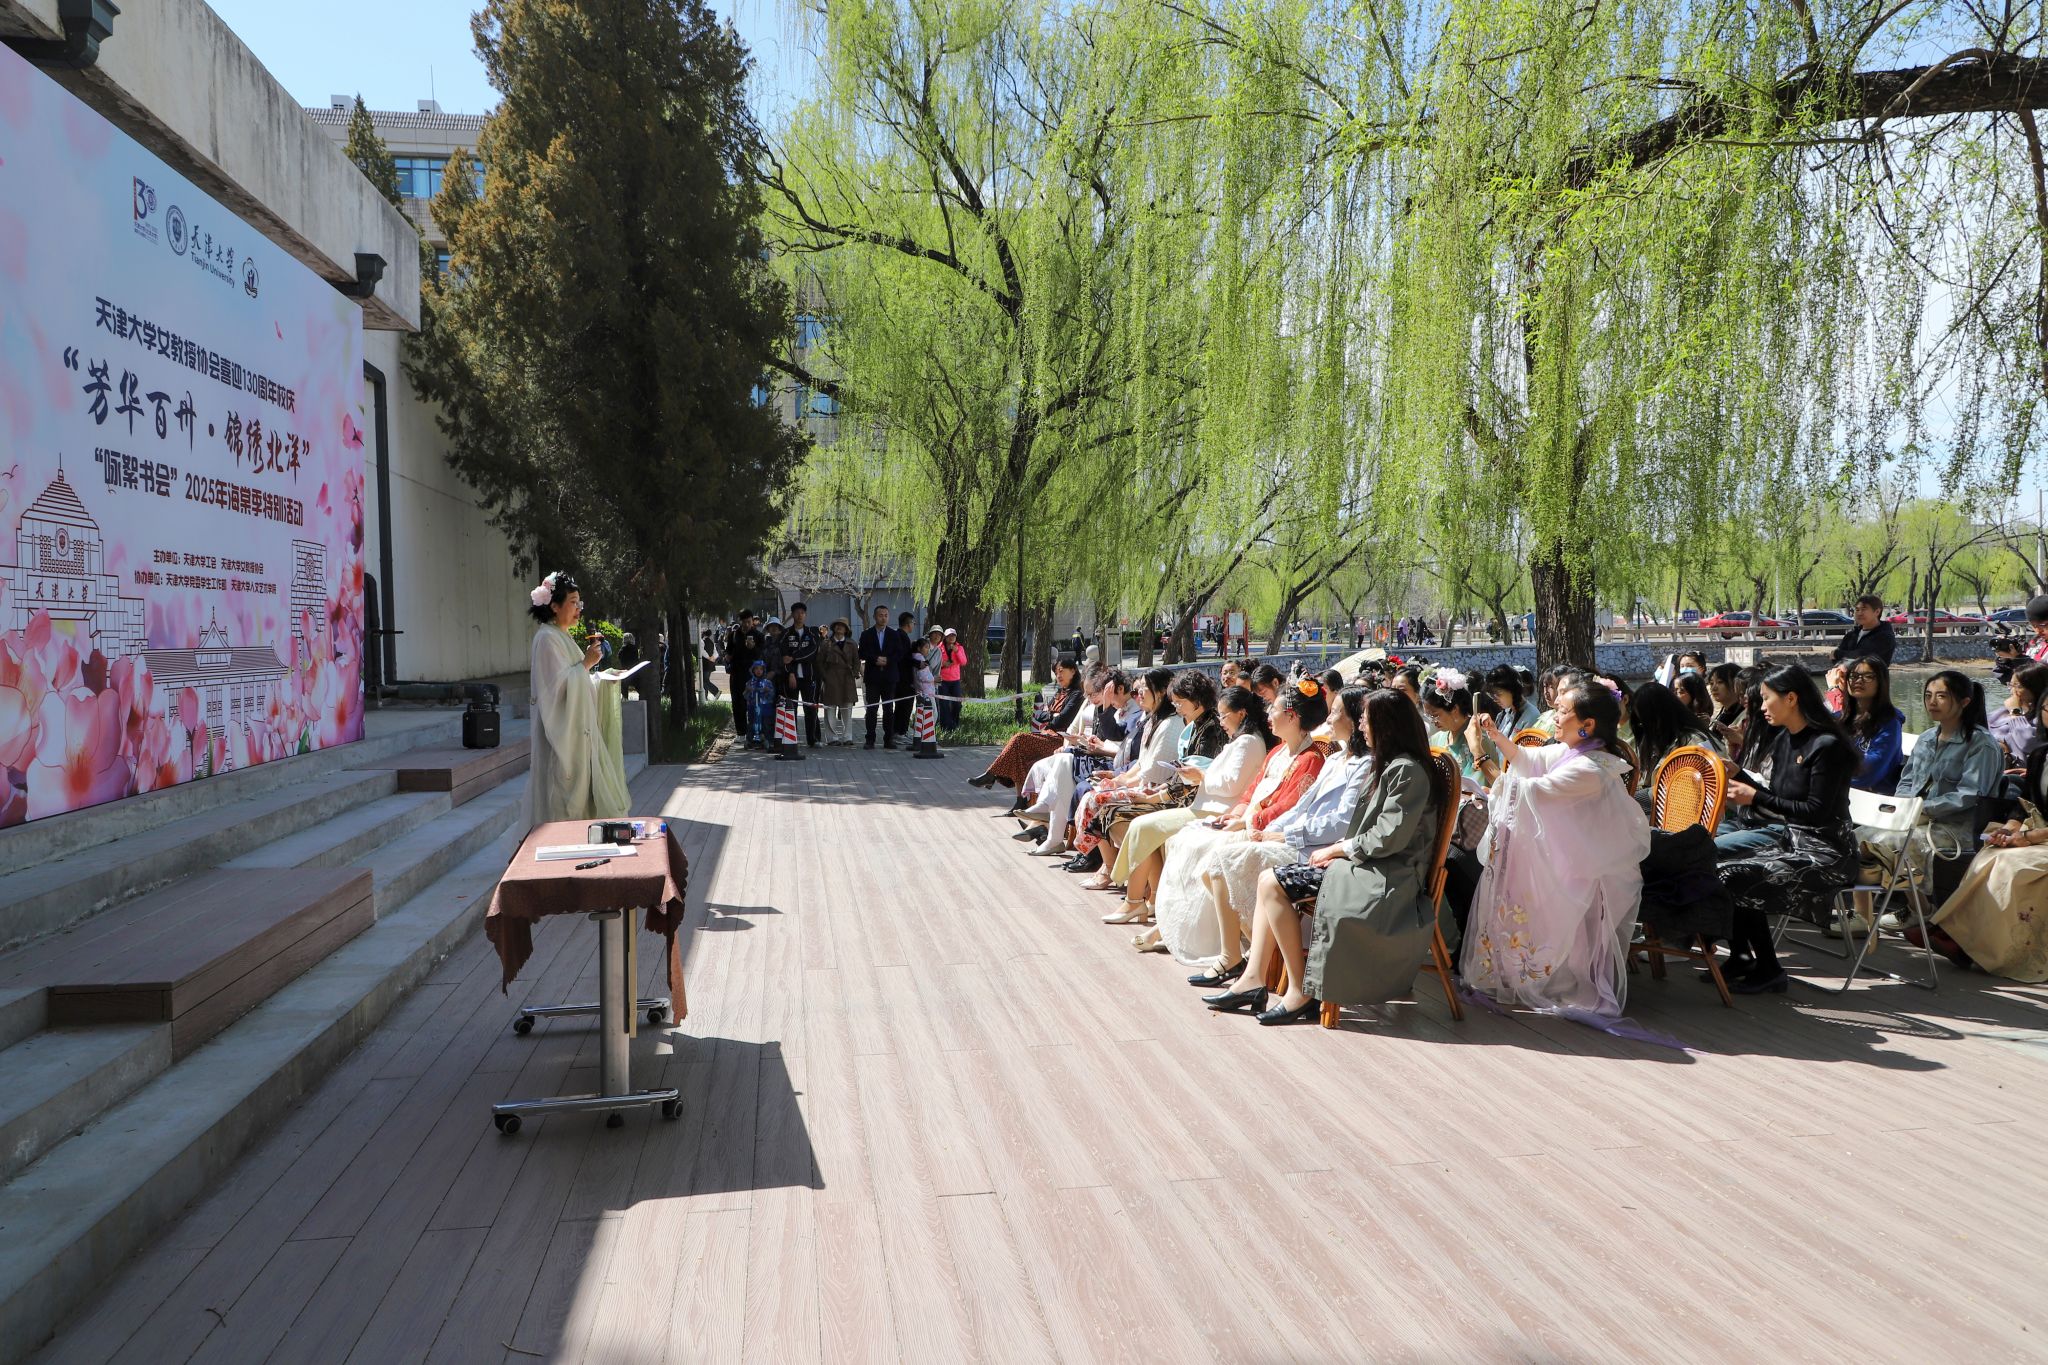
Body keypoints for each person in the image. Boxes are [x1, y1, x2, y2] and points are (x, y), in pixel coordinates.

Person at [1204, 688, 1439, 1025]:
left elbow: (1388, 836)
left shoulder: (1406, 770)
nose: (1361, 726)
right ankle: (1256, 979)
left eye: (1366, 720)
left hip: (1385, 876)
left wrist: (1338, 849)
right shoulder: (1392, 765)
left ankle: (1297, 991)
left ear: (1387, 725)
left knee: (1272, 882)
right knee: (1268, 880)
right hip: (1368, 866)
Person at [1462, 684, 1651, 1024]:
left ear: (1587, 725)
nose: (1554, 718)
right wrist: (1495, 736)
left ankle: (1555, 977)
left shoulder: (1592, 768)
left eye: (1562, 712)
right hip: (1569, 853)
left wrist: (1480, 754)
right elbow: (1529, 760)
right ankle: (1523, 970)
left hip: (1589, 867)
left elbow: (1530, 791)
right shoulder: (1573, 751)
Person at [1186, 684, 1375, 986]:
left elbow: (1341, 823)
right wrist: (1270, 830)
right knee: (1217, 860)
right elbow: (1302, 805)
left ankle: (1249, 958)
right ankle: (1238, 954)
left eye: (1337, 712)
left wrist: (1287, 835)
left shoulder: (1363, 765)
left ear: (1353, 720)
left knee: (1225, 859)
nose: (1329, 718)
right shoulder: (1336, 759)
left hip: (1319, 848)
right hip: (1299, 838)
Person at [1153, 681, 1330, 965]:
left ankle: (1233, 943)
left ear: (1292, 716)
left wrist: (1247, 822)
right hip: (1248, 821)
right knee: (1185, 838)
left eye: (1273, 709)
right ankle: (1184, 928)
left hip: (1267, 831)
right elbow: (1252, 790)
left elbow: (1287, 806)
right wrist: (1235, 815)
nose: (1268, 714)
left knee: (1206, 852)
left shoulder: (1311, 759)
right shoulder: (1278, 752)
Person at [1716, 666, 1859, 993]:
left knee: (1738, 875)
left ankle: (1769, 968)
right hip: (1791, 840)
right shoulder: (1785, 739)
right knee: (1720, 869)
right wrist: (1740, 776)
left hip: (1828, 850)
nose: (1761, 706)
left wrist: (1754, 796)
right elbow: (1779, 797)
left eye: (1767, 698)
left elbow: (1816, 811)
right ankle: (1741, 956)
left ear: (1791, 698)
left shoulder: (1827, 746)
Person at [1113, 686, 1269, 930]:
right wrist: (1196, 776)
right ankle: (1146, 900)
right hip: (1208, 806)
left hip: (1217, 811)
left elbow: (1231, 784)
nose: (1221, 721)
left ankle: (1134, 902)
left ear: (1241, 714)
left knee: (1142, 826)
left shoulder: (1248, 742)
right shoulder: (1241, 740)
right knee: (1142, 827)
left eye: (1224, 716)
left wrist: (1201, 776)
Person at [1931, 685, 2048, 978]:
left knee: (2014, 866)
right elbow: (2026, 804)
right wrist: (2009, 829)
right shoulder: (2040, 755)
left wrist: (2028, 838)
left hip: (2041, 838)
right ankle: (1960, 936)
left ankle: (1983, 945)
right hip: (2036, 834)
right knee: (1990, 853)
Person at [526, 572, 630, 825]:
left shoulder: (561, 635)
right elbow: (554, 691)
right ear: (554, 606)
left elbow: (575, 679)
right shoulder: (547, 638)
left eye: (579, 603)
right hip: (562, 740)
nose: (579, 609)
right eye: (573, 602)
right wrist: (586, 663)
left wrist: (602, 677)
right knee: (562, 806)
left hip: (577, 736)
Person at [1894, 670, 2005, 904]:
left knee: (1899, 843)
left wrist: (1924, 809)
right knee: (1863, 836)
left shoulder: (1981, 744)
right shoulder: (1926, 738)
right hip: (1915, 818)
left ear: (1964, 702)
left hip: (1956, 827)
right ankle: (1866, 913)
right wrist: (1903, 806)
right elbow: (1907, 780)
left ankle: (1920, 910)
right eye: (1928, 695)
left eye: (1942, 696)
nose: (1932, 702)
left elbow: (1970, 794)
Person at [970, 654, 1085, 792]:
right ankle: (1020, 799)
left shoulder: (1076, 694)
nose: (1058, 675)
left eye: (1061, 671)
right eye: (1056, 673)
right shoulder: (1060, 692)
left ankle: (991, 775)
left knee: (1019, 739)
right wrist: (1053, 715)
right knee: (1019, 755)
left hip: (1061, 741)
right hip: (1047, 735)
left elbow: (1061, 721)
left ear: (1073, 671)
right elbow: (1039, 715)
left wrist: (1051, 717)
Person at [1625, 681, 1722, 801]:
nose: (1644, 729)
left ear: (1661, 715)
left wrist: (1635, 799)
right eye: (1640, 723)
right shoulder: (1658, 741)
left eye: (1646, 722)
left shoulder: (1694, 742)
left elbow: (1685, 791)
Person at [1834, 658, 1905, 794]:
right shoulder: (1838, 719)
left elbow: (1869, 772)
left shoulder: (1889, 724)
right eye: (1853, 676)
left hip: (1874, 798)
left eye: (1868, 676)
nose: (1858, 681)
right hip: (1838, 792)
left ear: (1881, 682)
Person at [858, 605, 909, 749]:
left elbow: (899, 653)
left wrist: (888, 660)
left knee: (888, 709)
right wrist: (875, 659)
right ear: (875, 616)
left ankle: (888, 739)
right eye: (880, 615)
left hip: (889, 677)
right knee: (872, 709)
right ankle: (870, 739)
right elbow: (861, 653)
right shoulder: (866, 634)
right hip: (873, 678)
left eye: (886, 615)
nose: (883, 618)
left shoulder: (894, 634)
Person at [1988, 662, 2048, 764]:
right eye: (2011, 685)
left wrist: (2015, 712)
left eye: (2018, 686)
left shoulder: (2044, 716)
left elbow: (2028, 744)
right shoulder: (2001, 713)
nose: (2012, 691)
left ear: (2036, 688)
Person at [783, 602, 823, 746]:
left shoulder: (812, 633)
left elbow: (812, 653)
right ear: (792, 615)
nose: (800, 615)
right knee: (791, 709)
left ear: (805, 615)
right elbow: (784, 656)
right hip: (791, 678)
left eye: (802, 613)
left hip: (809, 677)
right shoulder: (786, 634)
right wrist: (790, 673)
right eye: (797, 613)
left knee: (811, 709)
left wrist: (794, 657)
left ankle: (814, 739)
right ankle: (790, 739)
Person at [817, 618, 860, 746]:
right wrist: (825, 677)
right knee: (830, 708)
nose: (839, 627)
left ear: (846, 629)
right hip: (831, 678)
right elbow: (819, 662)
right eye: (837, 625)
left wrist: (855, 673)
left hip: (847, 678)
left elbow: (857, 661)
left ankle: (847, 737)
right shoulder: (826, 643)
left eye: (842, 626)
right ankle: (832, 738)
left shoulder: (852, 644)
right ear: (833, 628)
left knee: (847, 708)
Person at [1831, 594, 1896, 666]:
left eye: (1863, 609)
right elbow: (1835, 660)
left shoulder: (1885, 636)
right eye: (1857, 609)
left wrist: (1836, 654)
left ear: (1877, 612)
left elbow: (1862, 656)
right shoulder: (1851, 635)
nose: (1859, 613)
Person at [1705, 662, 1746, 752]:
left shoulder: (1746, 717)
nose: (1714, 688)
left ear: (1736, 683)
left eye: (1720, 682)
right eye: (1711, 683)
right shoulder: (1723, 713)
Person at [935, 627, 968, 730]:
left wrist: (957, 651)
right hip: (943, 680)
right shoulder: (939, 648)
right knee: (943, 704)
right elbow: (934, 662)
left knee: (957, 704)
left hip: (955, 680)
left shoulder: (959, 648)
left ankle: (954, 724)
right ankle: (945, 726)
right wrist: (943, 664)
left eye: (953, 635)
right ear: (945, 637)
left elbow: (963, 662)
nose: (951, 637)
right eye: (949, 636)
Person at [724, 611, 764, 693]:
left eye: (749, 622)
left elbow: (762, 655)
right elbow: (728, 651)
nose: (746, 624)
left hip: (752, 674)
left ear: (752, 621)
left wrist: (753, 648)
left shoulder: (759, 635)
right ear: (740, 621)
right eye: (744, 622)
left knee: (750, 699)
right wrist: (727, 657)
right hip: (736, 674)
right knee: (736, 699)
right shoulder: (733, 635)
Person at [742, 659, 776, 749]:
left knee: (766, 724)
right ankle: (749, 740)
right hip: (753, 708)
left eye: (761, 669)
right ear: (753, 670)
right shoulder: (750, 682)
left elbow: (772, 695)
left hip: (764, 708)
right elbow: (745, 695)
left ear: (764, 670)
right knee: (752, 724)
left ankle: (767, 739)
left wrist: (767, 691)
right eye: (756, 669)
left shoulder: (767, 682)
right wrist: (748, 690)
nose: (758, 671)